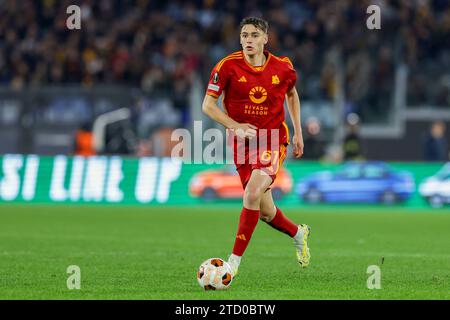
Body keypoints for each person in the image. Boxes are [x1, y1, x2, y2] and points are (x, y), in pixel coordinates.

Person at [201, 17, 310, 276]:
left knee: (251, 194)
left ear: (265, 39)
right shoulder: (227, 67)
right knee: (265, 210)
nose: (248, 39)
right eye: (244, 35)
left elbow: (291, 94)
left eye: (254, 35)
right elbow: (207, 105)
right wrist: (234, 126)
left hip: (273, 139)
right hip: (241, 143)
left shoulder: (283, 68)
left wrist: (298, 131)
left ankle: (233, 264)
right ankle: (298, 233)